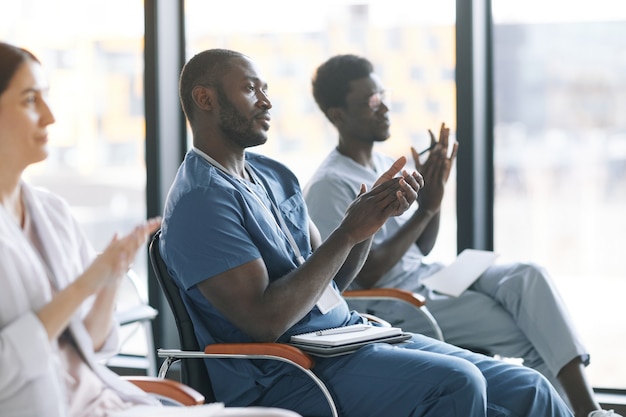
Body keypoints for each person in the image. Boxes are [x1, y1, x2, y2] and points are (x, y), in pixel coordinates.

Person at [158, 47, 575, 417]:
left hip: (346, 338)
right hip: (288, 369)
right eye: (251, 89)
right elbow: (265, 321)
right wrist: (347, 232)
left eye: (266, 88)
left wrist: (368, 226)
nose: (267, 101)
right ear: (204, 98)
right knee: (458, 382)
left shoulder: (273, 175)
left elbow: (333, 281)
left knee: (528, 388)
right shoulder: (201, 201)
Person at [303, 53, 619, 417]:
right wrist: (425, 210)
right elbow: (365, 273)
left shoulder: (381, 163)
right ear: (337, 114)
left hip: (423, 276)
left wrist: (431, 199)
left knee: (526, 276)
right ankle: (583, 411)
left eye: (383, 94)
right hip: (394, 298)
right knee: (534, 332)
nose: (385, 106)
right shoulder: (330, 184)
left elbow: (420, 246)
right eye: (371, 101)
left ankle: (588, 410)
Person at [0, 41, 301, 417]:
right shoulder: (203, 195)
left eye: (46, 98)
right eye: (30, 100)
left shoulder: (52, 212)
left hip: (103, 402)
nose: (49, 116)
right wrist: (84, 287)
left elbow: (94, 346)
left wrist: (108, 283)